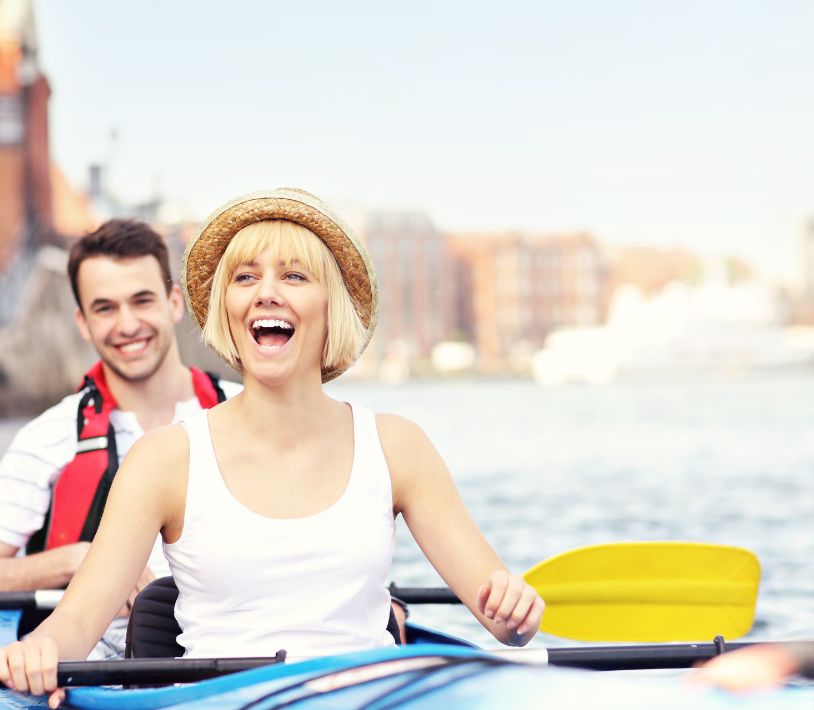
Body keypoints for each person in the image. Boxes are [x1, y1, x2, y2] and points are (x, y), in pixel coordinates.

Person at [0, 188, 544, 705]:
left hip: (367, 696)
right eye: (244, 277)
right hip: (220, 701)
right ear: (226, 308)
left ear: (331, 305)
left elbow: (501, 622)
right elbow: (73, 625)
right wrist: (37, 652)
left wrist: (515, 615)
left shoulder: (398, 445)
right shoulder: (165, 459)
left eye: (294, 275)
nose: (266, 291)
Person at [0, 220, 240, 660]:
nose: (127, 324)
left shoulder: (244, 414)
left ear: (173, 303)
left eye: (142, 300)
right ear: (83, 323)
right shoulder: (47, 439)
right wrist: (79, 560)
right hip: (99, 674)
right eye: (105, 308)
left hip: (238, 657)